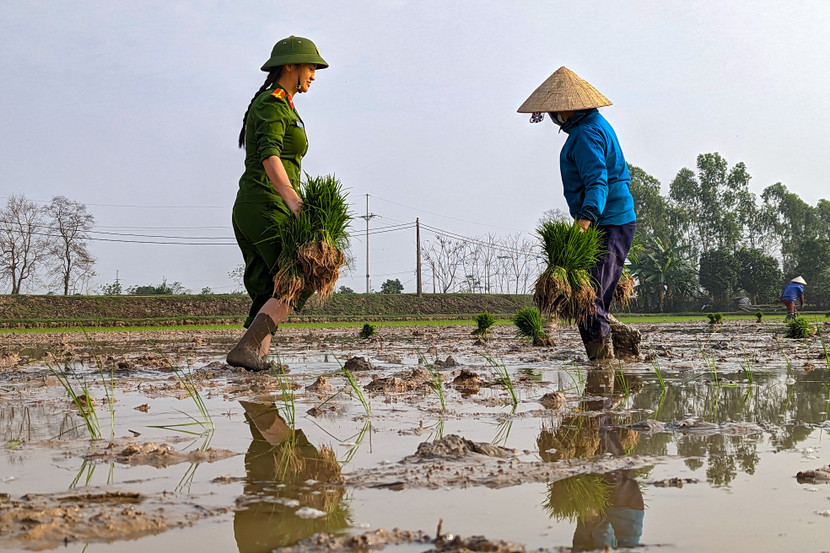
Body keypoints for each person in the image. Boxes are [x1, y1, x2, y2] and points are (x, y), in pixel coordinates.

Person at [518, 67, 637, 361]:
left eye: (554, 110)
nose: (550, 116)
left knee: (588, 302)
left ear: (567, 109)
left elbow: (597, 180)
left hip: (607, 222)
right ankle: (622, 343)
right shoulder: (595, 124)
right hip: (611, 220)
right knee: (591, 300)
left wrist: (584, 222)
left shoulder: (585, 133)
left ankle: (602, 365)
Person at [227, 36, 328, 371]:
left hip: (252, 205)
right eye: (310, 66)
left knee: (268, 288)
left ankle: (254, 363)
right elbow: (270, 156)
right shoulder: (272, 104)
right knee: (306, 274)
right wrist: (295, 203)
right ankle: (249, 347)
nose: (314, 74)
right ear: (290, 66)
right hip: (265, 204)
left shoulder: (284, 105)